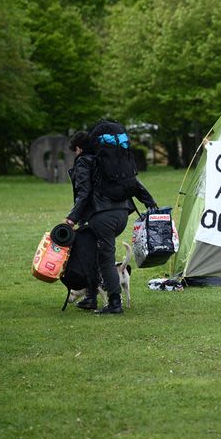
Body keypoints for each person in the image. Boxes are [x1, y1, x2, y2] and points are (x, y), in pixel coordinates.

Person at [66, 126, 157, 314]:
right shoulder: (108, 161)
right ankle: (91, 297)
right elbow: (135, 183)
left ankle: (115, 303)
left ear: (79, 148)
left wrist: (71, 218)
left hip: (102, 217)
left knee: (105, 259)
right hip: (122, 215)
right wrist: (151, 204)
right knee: (91, 253)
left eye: (74, 151)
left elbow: (83, 193)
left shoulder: (84, 162)